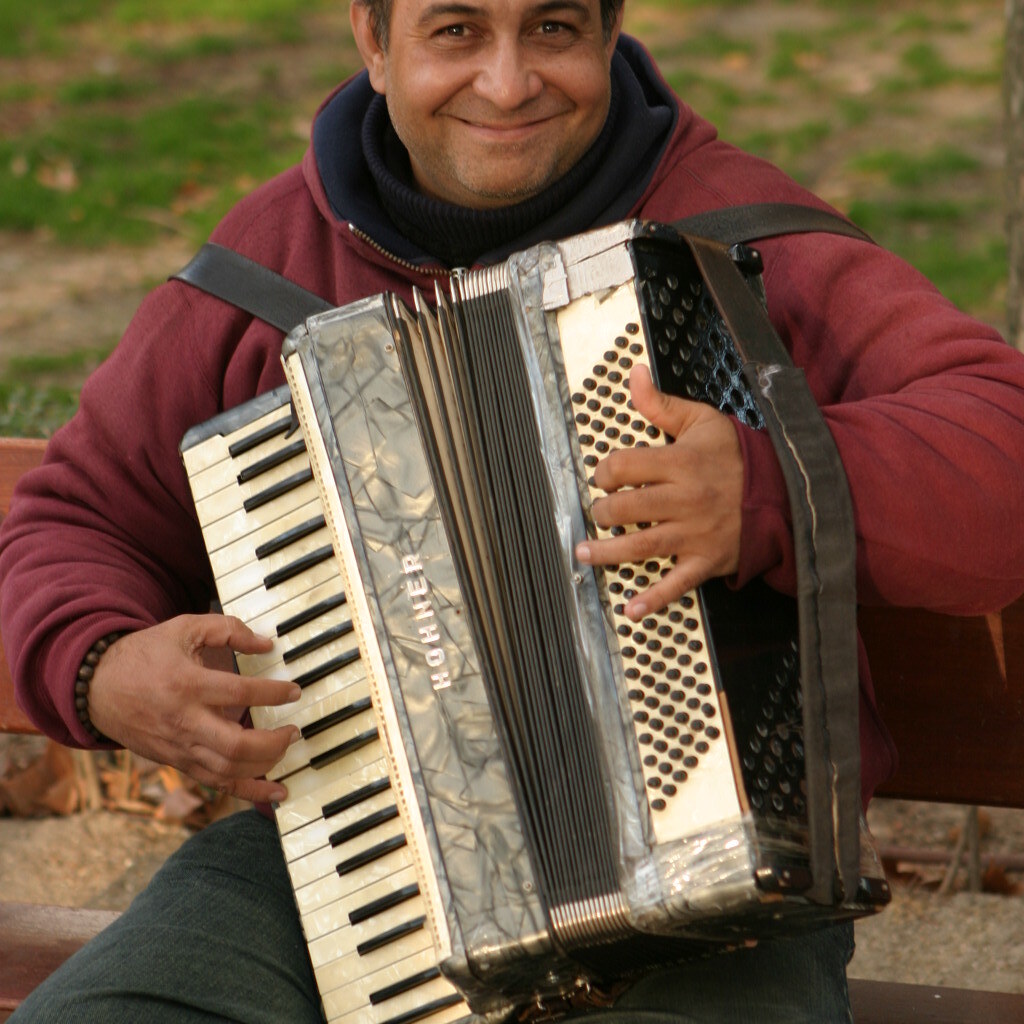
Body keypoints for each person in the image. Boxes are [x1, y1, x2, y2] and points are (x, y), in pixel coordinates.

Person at [2, 0, 1024, 1021]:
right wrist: (97, 666)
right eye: (454, 32)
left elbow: (1001, 457)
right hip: (339, 861)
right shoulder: (266, 270)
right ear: (371, 38)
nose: (507, 82)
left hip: (724, 891)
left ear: (610, 31)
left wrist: (770, 485)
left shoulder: (736, 236)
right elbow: (74, 520)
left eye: (552, 30)